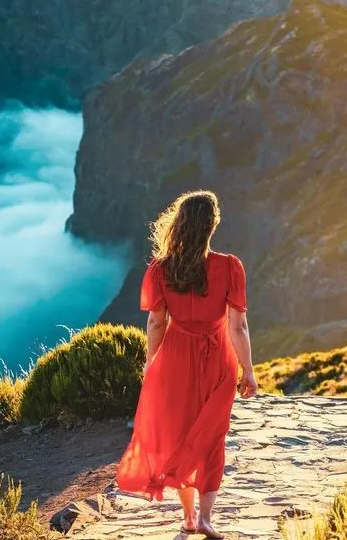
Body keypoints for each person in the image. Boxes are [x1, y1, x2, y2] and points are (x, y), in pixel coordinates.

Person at [116, 190, 258, 539]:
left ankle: (189, 517)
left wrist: (152, 363)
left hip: (176, 358)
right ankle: (206, 518)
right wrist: (249, 370)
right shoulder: (229, 267)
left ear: (178, 225)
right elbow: (238, 326)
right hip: (217, 359)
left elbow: (155, 323)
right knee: (212, 437)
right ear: (212, 226)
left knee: (182, 434)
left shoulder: (161, 269)